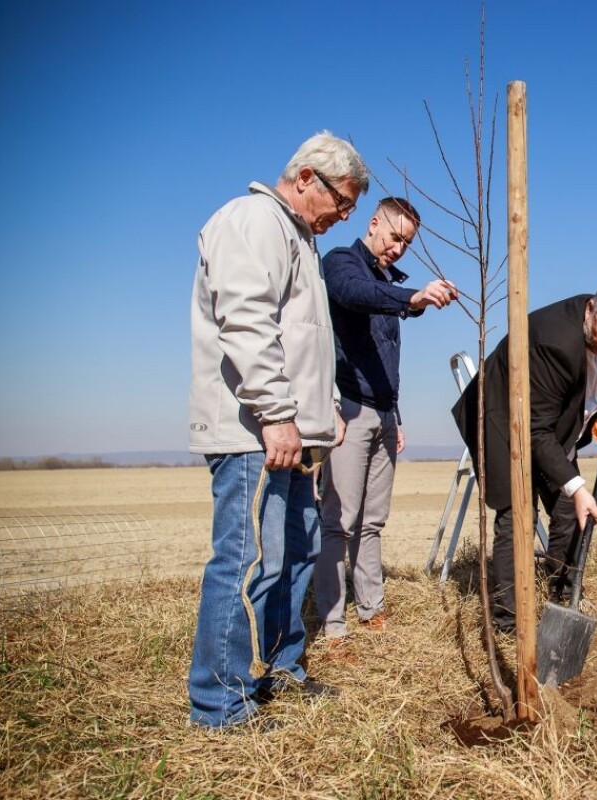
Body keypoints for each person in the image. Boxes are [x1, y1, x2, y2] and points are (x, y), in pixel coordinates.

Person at [187, 131, 368, 729]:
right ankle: (222, 702)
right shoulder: (253, 220)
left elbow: (308, 342)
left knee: (295, 554)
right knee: (243, 560)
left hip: (294, 435)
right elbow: (246, 323)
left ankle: (281, 666)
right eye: (343, 201)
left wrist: (327, 410)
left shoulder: (300, 241)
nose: (344, 216)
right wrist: (279, 415)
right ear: (307, 177)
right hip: (254, 435)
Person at [452, 281, 597, 634]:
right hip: (500, 418)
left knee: (569, 511)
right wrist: (577, 486)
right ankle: (509, 622)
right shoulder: (553, 343)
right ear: (590, 309)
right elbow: (534, 430)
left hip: (548, 424)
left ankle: (562, 593)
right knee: (517, 515)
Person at [313, 198, 458, 643]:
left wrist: (396, 415)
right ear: (373, 223)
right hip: (348, 412)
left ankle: (371, 607)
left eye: (406, 243)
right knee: (340, 519)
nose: (399, 248)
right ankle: (332, 623)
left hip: (383, 414)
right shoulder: (341, 263)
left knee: (373, 520)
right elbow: (356, 295)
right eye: (395, 237)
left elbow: (385, 360)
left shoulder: (387, 281)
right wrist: (411, 298)